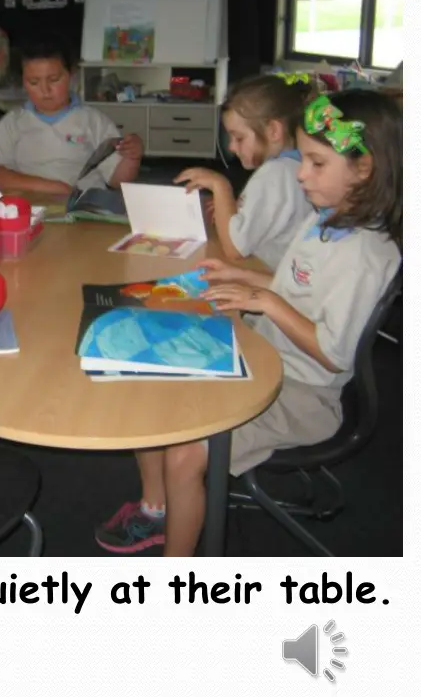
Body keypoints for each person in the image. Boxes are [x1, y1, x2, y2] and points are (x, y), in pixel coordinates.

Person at [96, 90, 402, 556]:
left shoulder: (363, 254)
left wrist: (264, 300)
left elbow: (334, 352)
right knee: (153, 381)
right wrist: (243, 276)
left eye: (317, 163)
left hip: (305, 393)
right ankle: (157, 509)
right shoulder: (328, 218)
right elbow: (298, 286)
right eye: (305, 159)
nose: (301, 173)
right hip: (269, 356)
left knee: (184, 451)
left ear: (365, 169)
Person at [175, 73, 317, 270]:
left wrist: (220, 185)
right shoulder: (295, 166)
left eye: (239, 138)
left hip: (266, 275)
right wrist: (229, 209)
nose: (232, 147)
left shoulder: (275, 174)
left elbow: (235, 248)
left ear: (274, 131)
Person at [0, 37, 143, 198]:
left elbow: (117, 180)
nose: (45, 90)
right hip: (29, 207)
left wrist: (133, 157)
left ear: (71, 75)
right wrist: (56, 188)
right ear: (23, 81)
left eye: (54, 80)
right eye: (34, 82)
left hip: (83, 208)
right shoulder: (12, 123)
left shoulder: (93, 121)